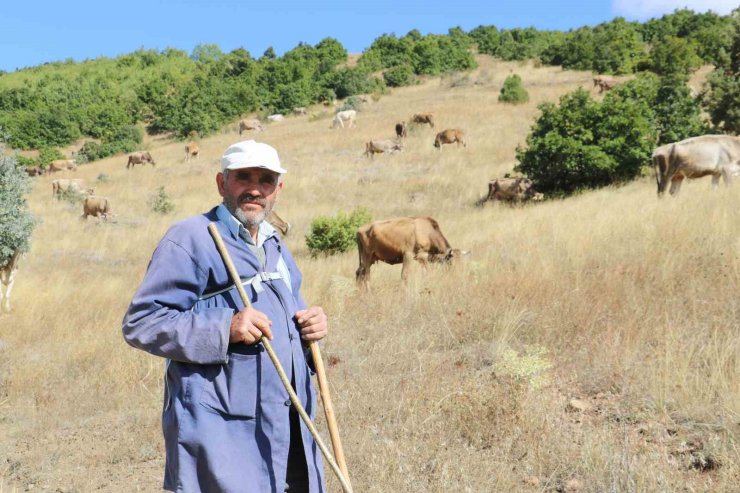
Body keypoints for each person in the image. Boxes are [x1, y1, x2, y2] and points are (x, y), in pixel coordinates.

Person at [122, 140, 328, 493]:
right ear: (222, 183)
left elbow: (291, 314)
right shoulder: (191, 239)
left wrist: (310, 329)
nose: (254, 188)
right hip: (222, 427)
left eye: (265, 180)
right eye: (243, 177)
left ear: (278, 189)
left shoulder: (274, 243)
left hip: (286, 420)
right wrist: (225, 327)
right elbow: (142, 321)